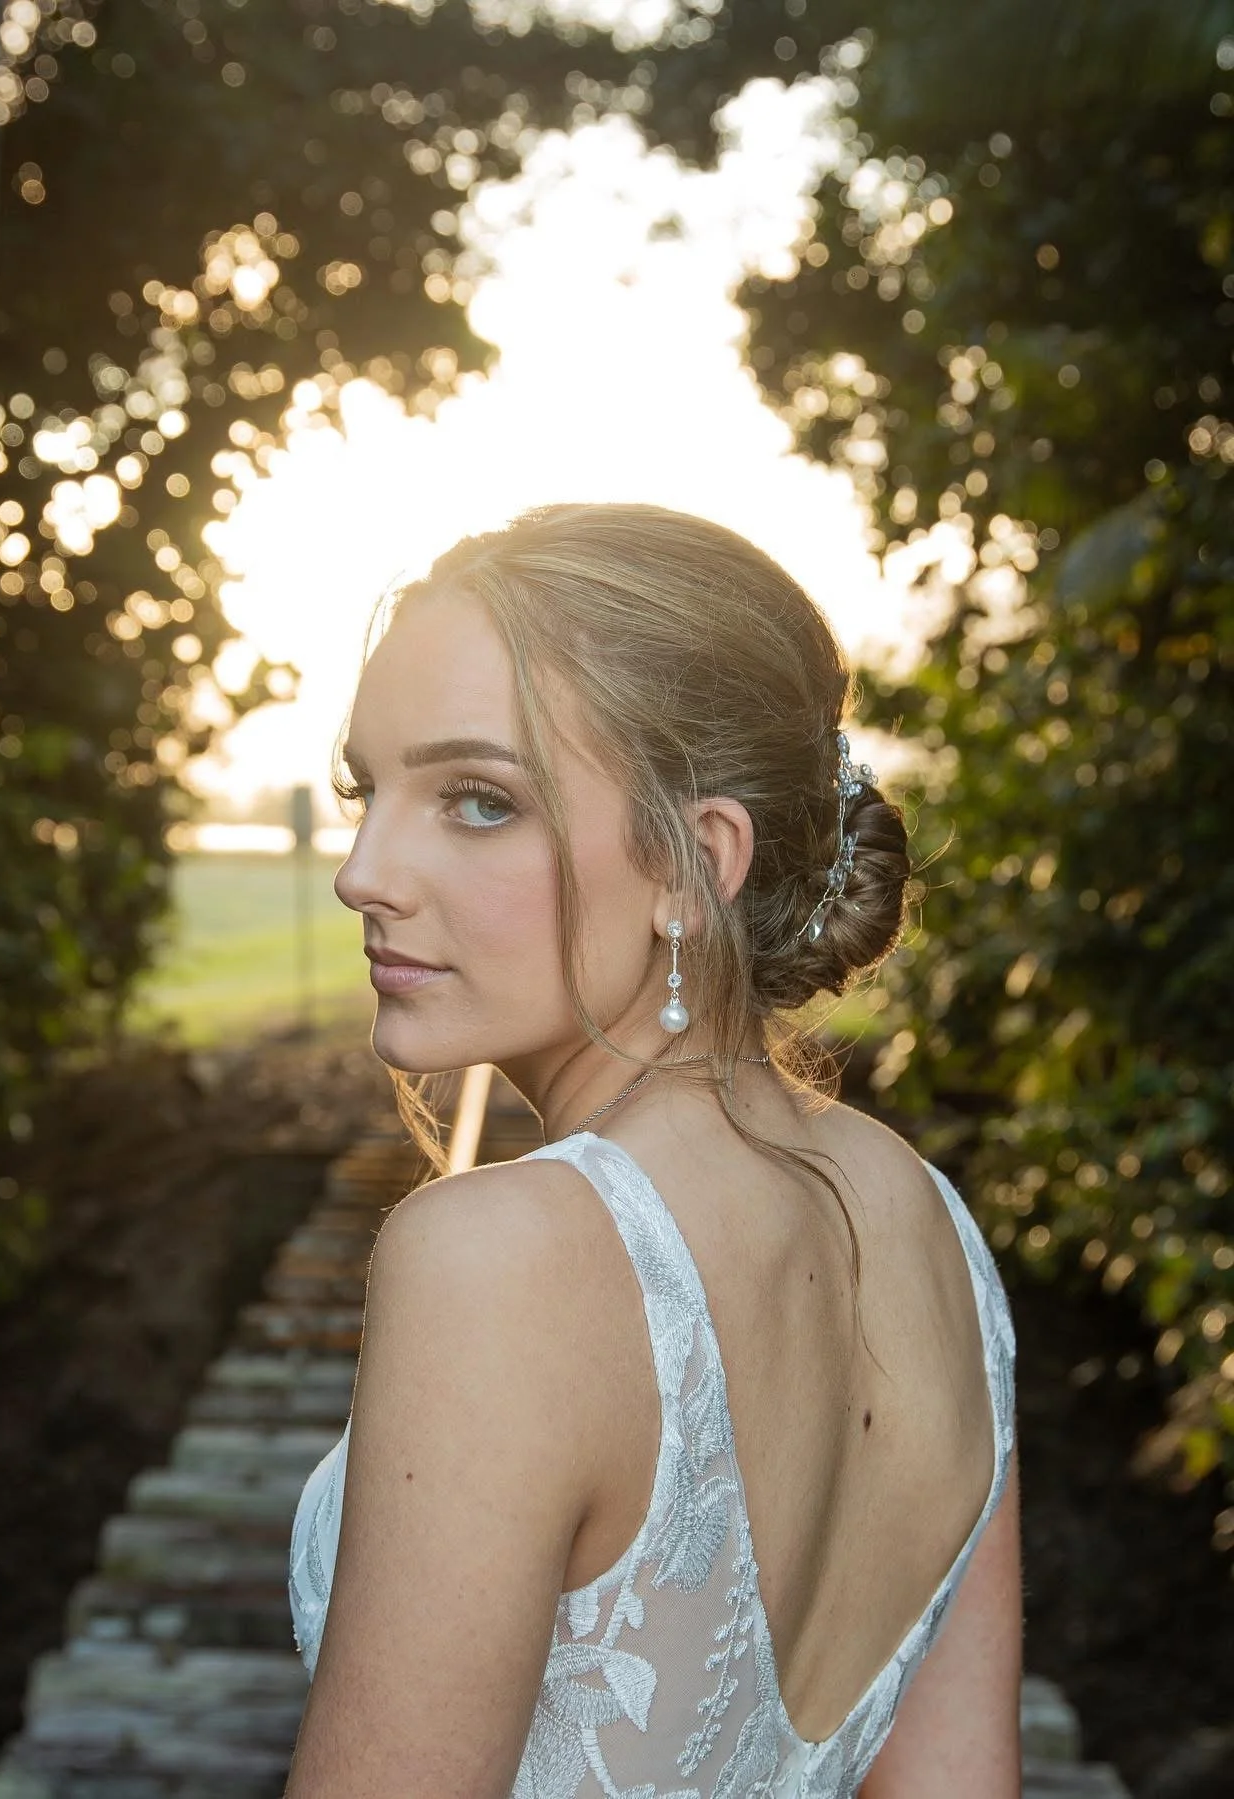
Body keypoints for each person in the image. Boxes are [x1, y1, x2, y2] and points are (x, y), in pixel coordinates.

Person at [285, 502, 1021, 1797]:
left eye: (474, 799)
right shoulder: (933, 1228)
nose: (362, 869)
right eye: (367, 787)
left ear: (698, 864)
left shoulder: (497, 1260)